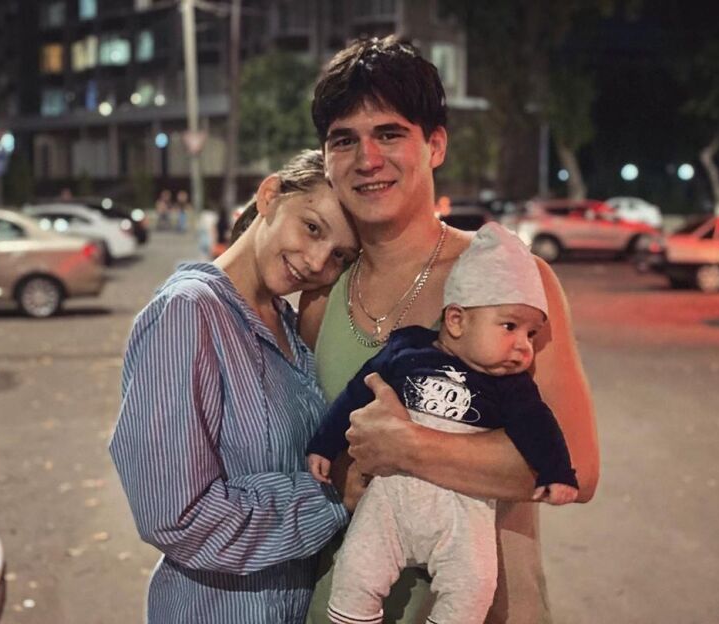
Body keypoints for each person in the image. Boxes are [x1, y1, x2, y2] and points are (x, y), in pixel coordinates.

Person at [300, 36, 599, 624]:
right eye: (344, 139)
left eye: (389, 133)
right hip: (342, 602)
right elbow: (323, 459)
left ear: (435, 144)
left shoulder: (512, 286)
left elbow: (578, 468)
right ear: (326, 158)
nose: (367, 159)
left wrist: (409, 447)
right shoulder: (321, 296)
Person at [109, 150, 360, 624]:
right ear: (270, 196)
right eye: (312, 228)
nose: (316, 261)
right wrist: (333, 498)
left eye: (340, 256)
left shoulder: (290, 327)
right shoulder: (190, 313)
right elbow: (177, 515)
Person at [307, 223, 578, 624]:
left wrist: (558, 472)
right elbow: (357, 393)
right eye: (510, 326)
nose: (524, 346)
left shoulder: (511, 387)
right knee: (358, 566)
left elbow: (540, 428)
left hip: (463, 515)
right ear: (456, 320)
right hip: (390, 503)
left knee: (474, 584)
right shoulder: (407, 349)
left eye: (532, 333)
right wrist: (323, 444)